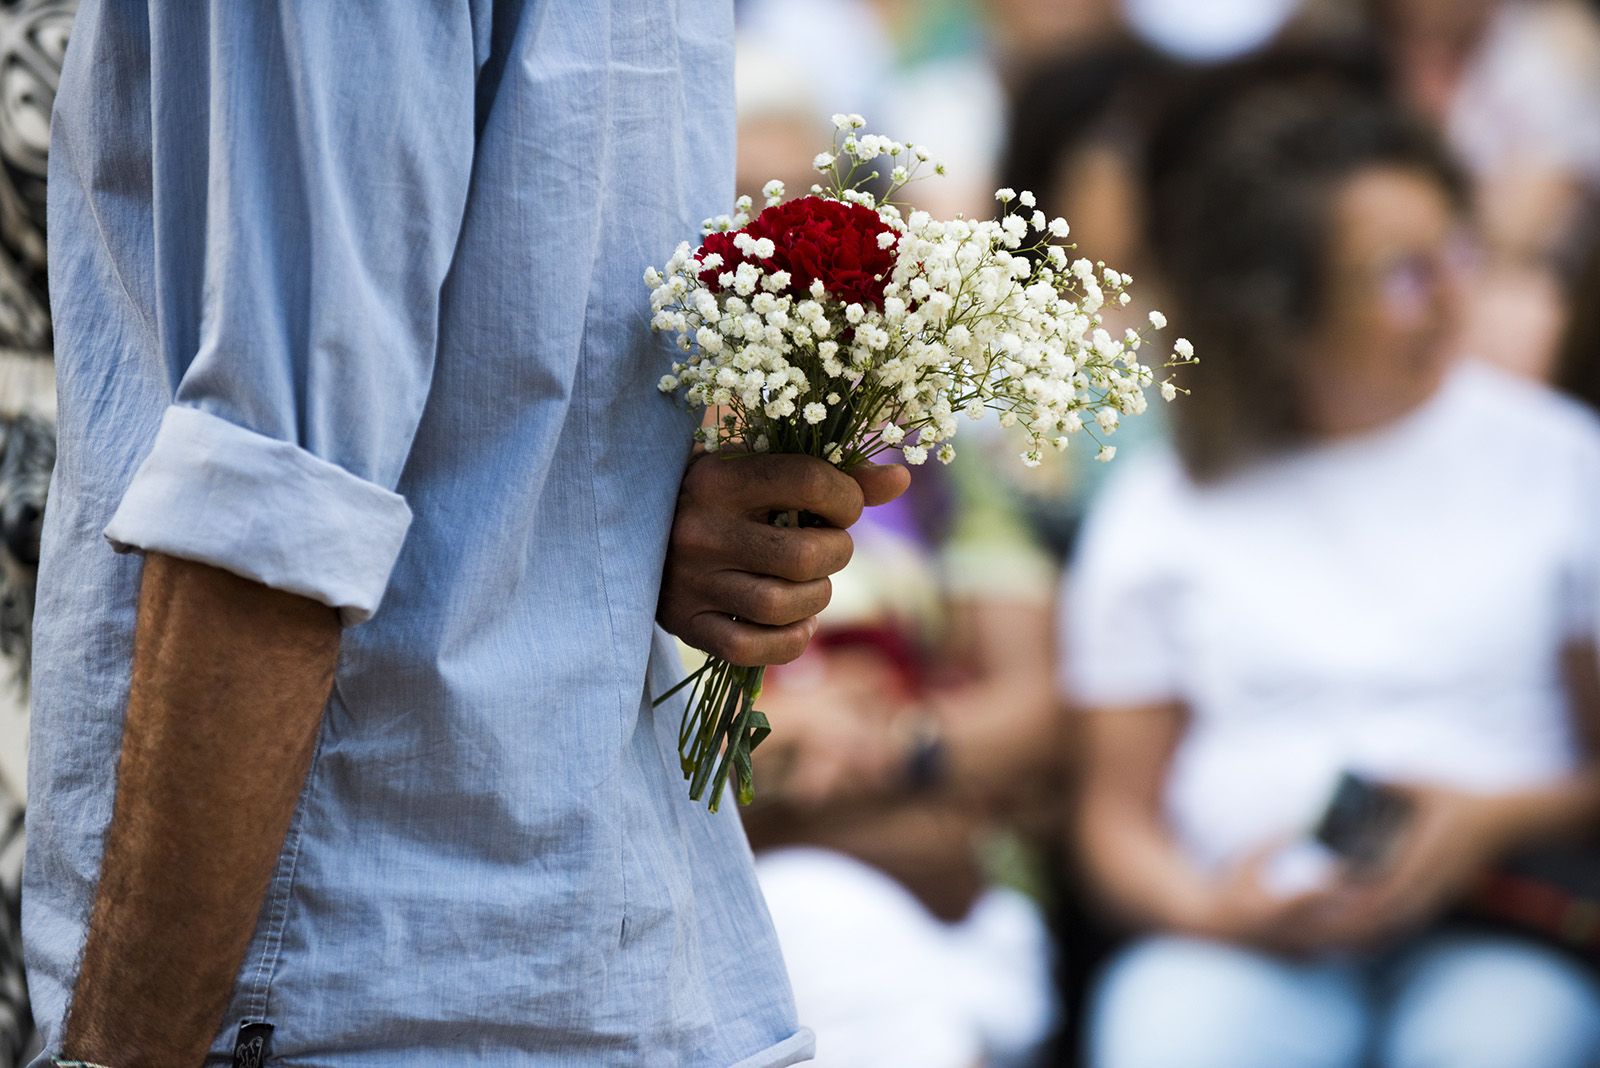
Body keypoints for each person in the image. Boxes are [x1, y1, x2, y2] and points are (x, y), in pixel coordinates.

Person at [28, 3, 908, 1065]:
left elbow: (272, 513)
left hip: (341, 977)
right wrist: (612, 519)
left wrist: (119, 1051)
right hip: (600, 965)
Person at [1062, 77, 1600, 1068]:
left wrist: (1487, 819)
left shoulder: (1560, 462)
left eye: (1458, 251)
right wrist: (1206, 907)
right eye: (1403, 273)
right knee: (1165, 1039)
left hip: (1499, 926)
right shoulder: (1165, 504)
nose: (1452, 295)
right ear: (1281, 313)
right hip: (1245, 943)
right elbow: (1114, 815)